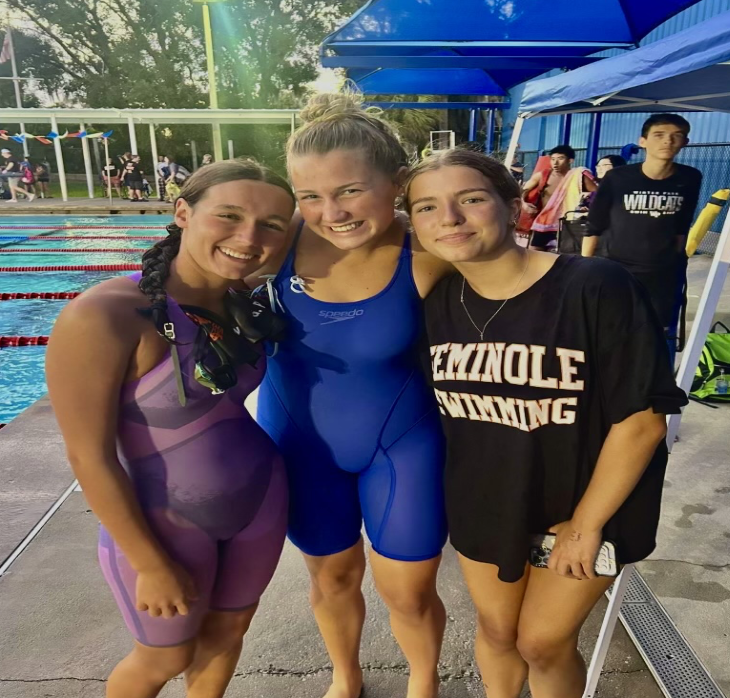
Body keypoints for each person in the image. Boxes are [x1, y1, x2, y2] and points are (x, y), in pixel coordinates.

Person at [404, 148, 687, 698]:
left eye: (471, 199)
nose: (450, 219)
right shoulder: (430, 301)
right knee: (498, 631)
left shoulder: (595, 286)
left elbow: (643, 420)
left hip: (587, 503)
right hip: (485, 498)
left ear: (515, 207)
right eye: (427, 207)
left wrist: (585, 524)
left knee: (542, 642)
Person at [45, 160, 296, 698]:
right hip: (166, 524)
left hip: (261, 502)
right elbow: (89, 457)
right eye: (227, 215)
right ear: (183, 212)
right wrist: (148, 561)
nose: (248, 236)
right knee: (164, 656)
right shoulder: (105, 315)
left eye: (271, 224)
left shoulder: (242, 303)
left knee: (229, 632)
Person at [255, 93, 451, 698]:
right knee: (332, 578)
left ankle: (423, 679)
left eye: (349, 191)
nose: (330, 212)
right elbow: (192, 269)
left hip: (402, 444)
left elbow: (519, 284)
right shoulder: (275, 243)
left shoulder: (430, 252)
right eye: (310, 196)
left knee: (408, 591)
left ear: (396, 182)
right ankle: (346, 675)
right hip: (300, 441)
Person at [582, 114, 702, 330]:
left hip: (661, 274)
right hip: (616, 268)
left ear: (685, 143)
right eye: (659, 135)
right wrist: (584, 270)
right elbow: (594, 226)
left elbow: (682, 225)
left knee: (654, 334)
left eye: (677, 136)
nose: (667, 141)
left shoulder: (690, 177)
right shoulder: (618, 178)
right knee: (609, 329)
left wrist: (673, 260)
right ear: (643, 141)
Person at [521, 146, 596, 251]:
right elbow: (523, 191)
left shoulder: (578, 176)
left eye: (560, 158)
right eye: (552, 159)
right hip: (544, 222)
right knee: (534, 252)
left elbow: (597, 195)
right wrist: (524, 204)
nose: (555, 163)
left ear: (570, 160)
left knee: (564, 254)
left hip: (568, 223)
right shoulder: (542, 176)